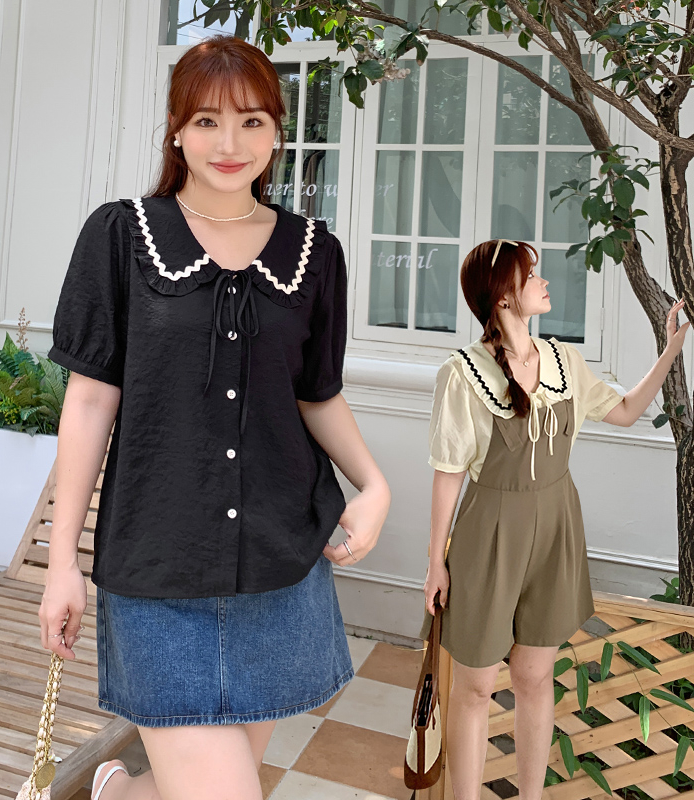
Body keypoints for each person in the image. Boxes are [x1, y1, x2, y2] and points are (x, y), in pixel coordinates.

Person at [39, 35, 391, 800]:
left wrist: (374, 484)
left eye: (251, 121)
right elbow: (91, 400)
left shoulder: (314, 252)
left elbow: (315, 393)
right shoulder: (121, 236)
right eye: (206, 121)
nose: (230, 144)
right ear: (176, 130)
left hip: (279, 571)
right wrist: (63, 561)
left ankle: (118, 791)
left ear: (277, 131)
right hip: (158, 573)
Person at [422, 238, 689, 800]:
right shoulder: (463, 373)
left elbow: (625, 411)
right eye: (531, 275)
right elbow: (449, 472)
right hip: (489, 535)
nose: (544, 282)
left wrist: (670, 350)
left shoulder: (565, 361)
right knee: (475, 687)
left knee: (533, 675)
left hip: (556, 530)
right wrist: (434, 562)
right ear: (503, 296)